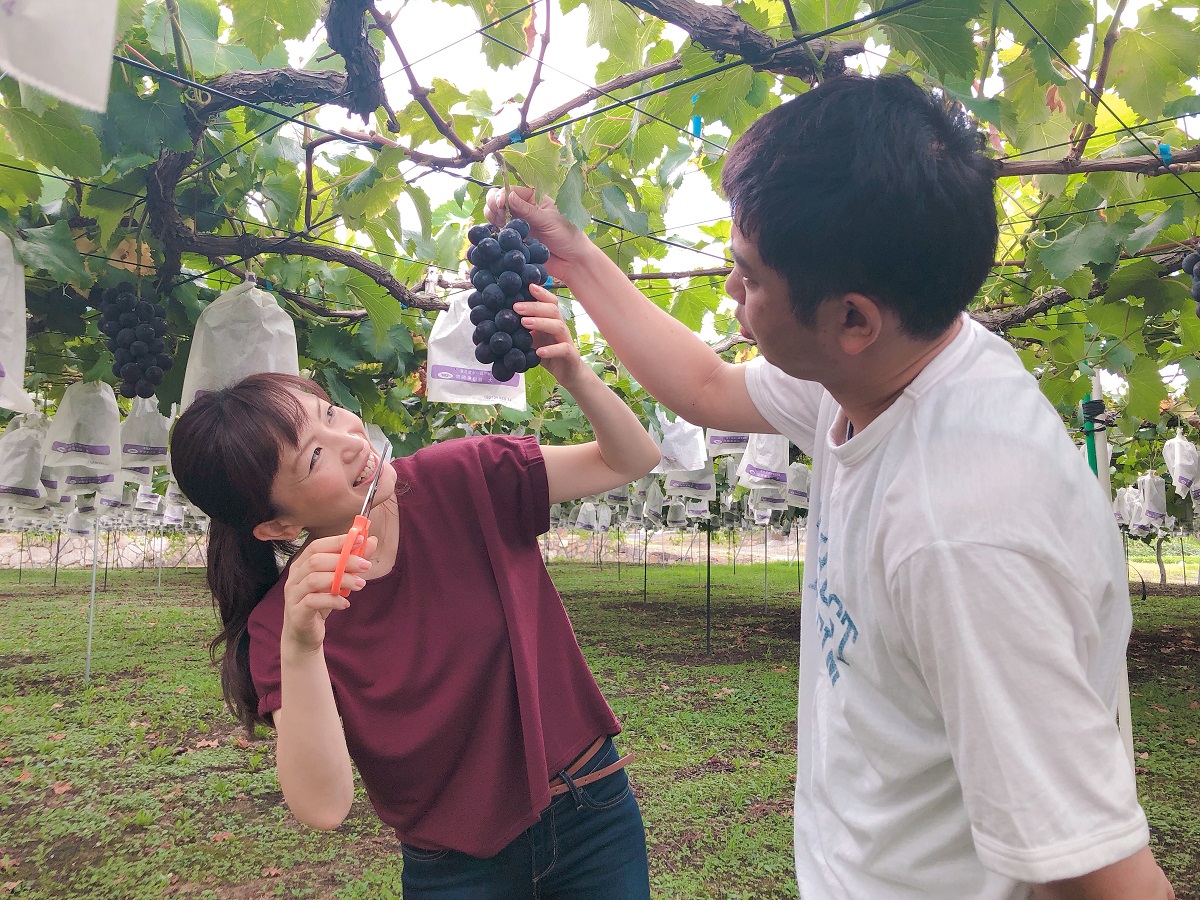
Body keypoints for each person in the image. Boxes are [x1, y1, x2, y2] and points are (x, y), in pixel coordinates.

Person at [486, 74, 1175, 899]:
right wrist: (578, 258)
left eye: (746, 276)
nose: (730, 293)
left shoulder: (961, 532)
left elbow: (1109, 879)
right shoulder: (883, 372)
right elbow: (706, 387)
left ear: (854, 320)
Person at [169, 286, 661, 899]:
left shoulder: (464, 477)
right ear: (278, 527)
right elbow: (323, 806)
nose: (351, 439)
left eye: (328, 413)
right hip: (453, 867)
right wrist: (302, 644)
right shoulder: (284, 626)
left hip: (590, 811)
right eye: (314, 455)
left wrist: (575, 373)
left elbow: (630, 460)